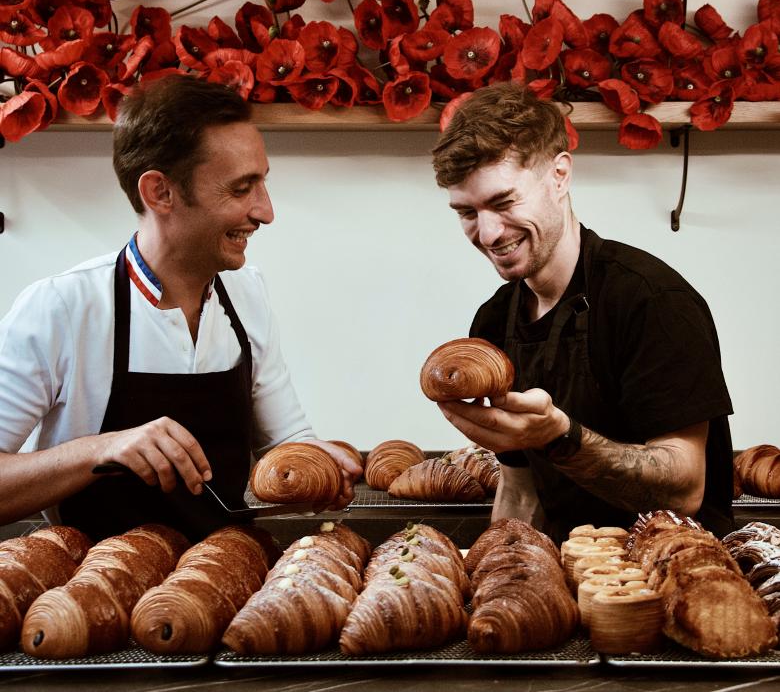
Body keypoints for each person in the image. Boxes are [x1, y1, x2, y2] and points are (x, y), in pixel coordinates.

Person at [0, 74, 360, 540]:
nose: (265, 211)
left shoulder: (246, 295)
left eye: (262, 183)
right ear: (160, 193)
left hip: (226, 579)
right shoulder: (61, 308)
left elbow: (287, 443)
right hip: (88, 592)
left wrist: (319, 466)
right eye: (240, 188)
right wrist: (99, 450)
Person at [431, 82, 734, 544]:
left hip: (677, 578)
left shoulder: (651, 300)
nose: (488, 233)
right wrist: (498, 572)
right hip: (566, 574)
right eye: (466, 213)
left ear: (560, 175)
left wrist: (558, 436)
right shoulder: (494, 322)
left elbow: (686, 489)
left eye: (503, 202)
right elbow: (519, 487)